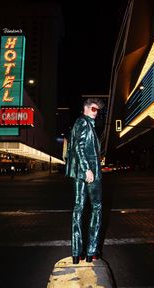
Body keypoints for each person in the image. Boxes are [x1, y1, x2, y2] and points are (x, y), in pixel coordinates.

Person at [65, 98, 104, 264]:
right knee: (96, 207)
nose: (96, 113)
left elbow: (78, 147)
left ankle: (77, 253)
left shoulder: (82, 123)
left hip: (80, 173)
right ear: (86, 108)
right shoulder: (83, 122)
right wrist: (88, 168)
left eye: (98, 110)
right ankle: (91, 251)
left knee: (79, 208)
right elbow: (79, 147)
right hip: (89, 173)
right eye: (94, 109)